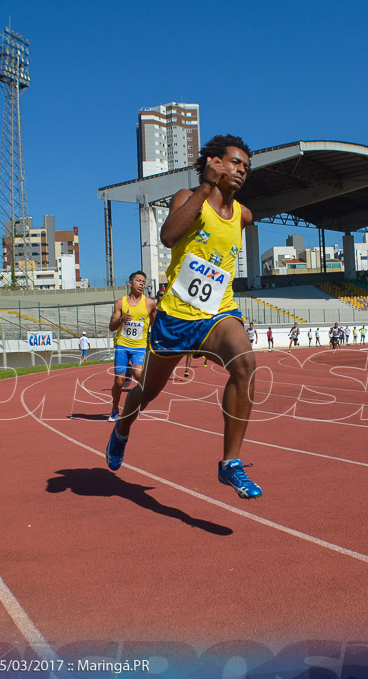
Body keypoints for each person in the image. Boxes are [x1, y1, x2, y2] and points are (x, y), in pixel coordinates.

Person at [105, 134, 262, 499]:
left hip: (217, 313)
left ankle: (230, 464)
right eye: (235, 162)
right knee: (146, 392)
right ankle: (122, 431)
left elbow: (242, 218)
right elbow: (168, 236)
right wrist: (206, 186)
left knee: (245, 363)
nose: (241, 170)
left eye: (246, 167)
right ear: (214, 161)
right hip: (175, 318)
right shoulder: (188, 198)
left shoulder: (243, 215)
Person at [107, 271, 156, 422]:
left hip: (140, 346)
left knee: (139, 375)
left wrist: (155, 341)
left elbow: (156, 324)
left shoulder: (149, 303)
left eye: (143, 281)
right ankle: (115, 409)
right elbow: (111, 327)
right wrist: (121, 319)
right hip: (122, 344)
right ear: (130, 283)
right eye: (138, 281)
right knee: (119, 382)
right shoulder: (120, 303)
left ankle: (135, 405)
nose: (142, 284)